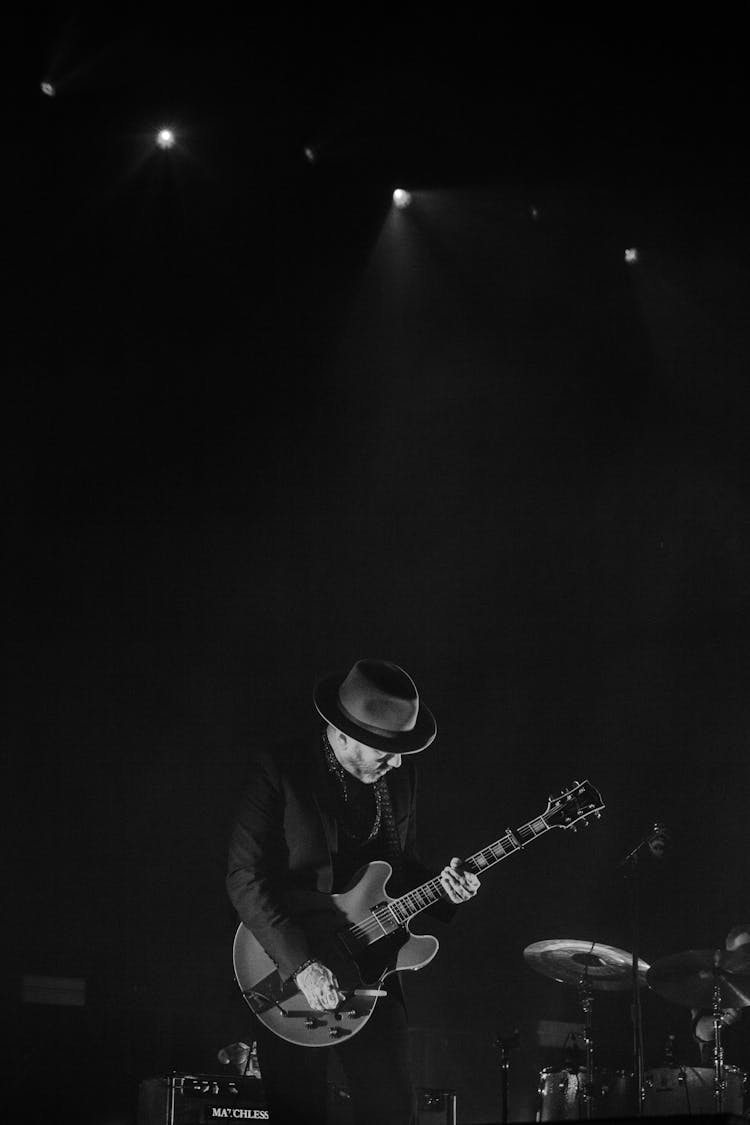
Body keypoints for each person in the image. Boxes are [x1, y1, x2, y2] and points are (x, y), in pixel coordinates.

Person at [226, 658, 481, 1125]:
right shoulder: (280, 768)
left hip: (374, 964)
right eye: (385, 749)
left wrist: (447, 890)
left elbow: (399, 870)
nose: (398, 761)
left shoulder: (400, 779)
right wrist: (302, 965)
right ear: (342, 734)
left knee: (391, 1108)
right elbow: (246, 877)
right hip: (291, 965)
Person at [691, 922, 750, 1062]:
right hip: (732, 1075)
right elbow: (701, 1032)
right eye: (744, 951)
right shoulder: (716, 984)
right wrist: (723, 1019)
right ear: (728, 954)